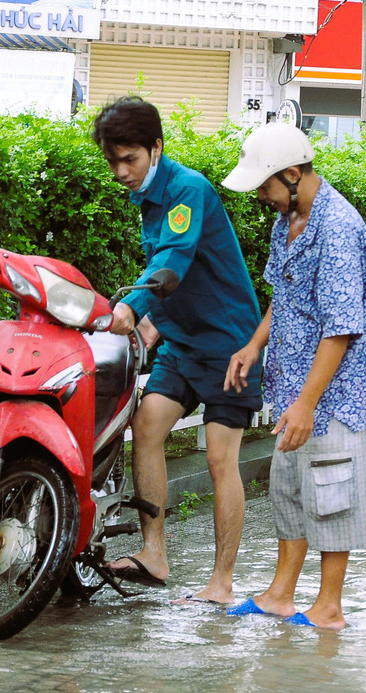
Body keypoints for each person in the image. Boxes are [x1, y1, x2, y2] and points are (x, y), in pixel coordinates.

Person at [91, 96, 264, 603]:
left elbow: (173, 262)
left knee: (219, 459)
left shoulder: (186, 189)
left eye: (130, 159)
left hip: (231, 346)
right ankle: (154, 555)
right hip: (184, 343)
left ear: (156, 148)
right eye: (113, 161)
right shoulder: (147, 197)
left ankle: (221, 582)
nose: (121, 171)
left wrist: (134, 305)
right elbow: (177, 282)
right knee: (146, 427)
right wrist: (150, 327)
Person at [220, 123, 366, 630]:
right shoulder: (289, 220)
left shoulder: (337, 227)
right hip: (297, 389)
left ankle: (328, 605)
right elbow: (284, 296)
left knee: (333, 494)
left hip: (336, 396)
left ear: (292, 175)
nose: (264, 198)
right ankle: (279, 594)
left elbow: (341, 329)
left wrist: (308, 403)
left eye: (267, 187)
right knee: (291, 489)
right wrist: (253, 344)